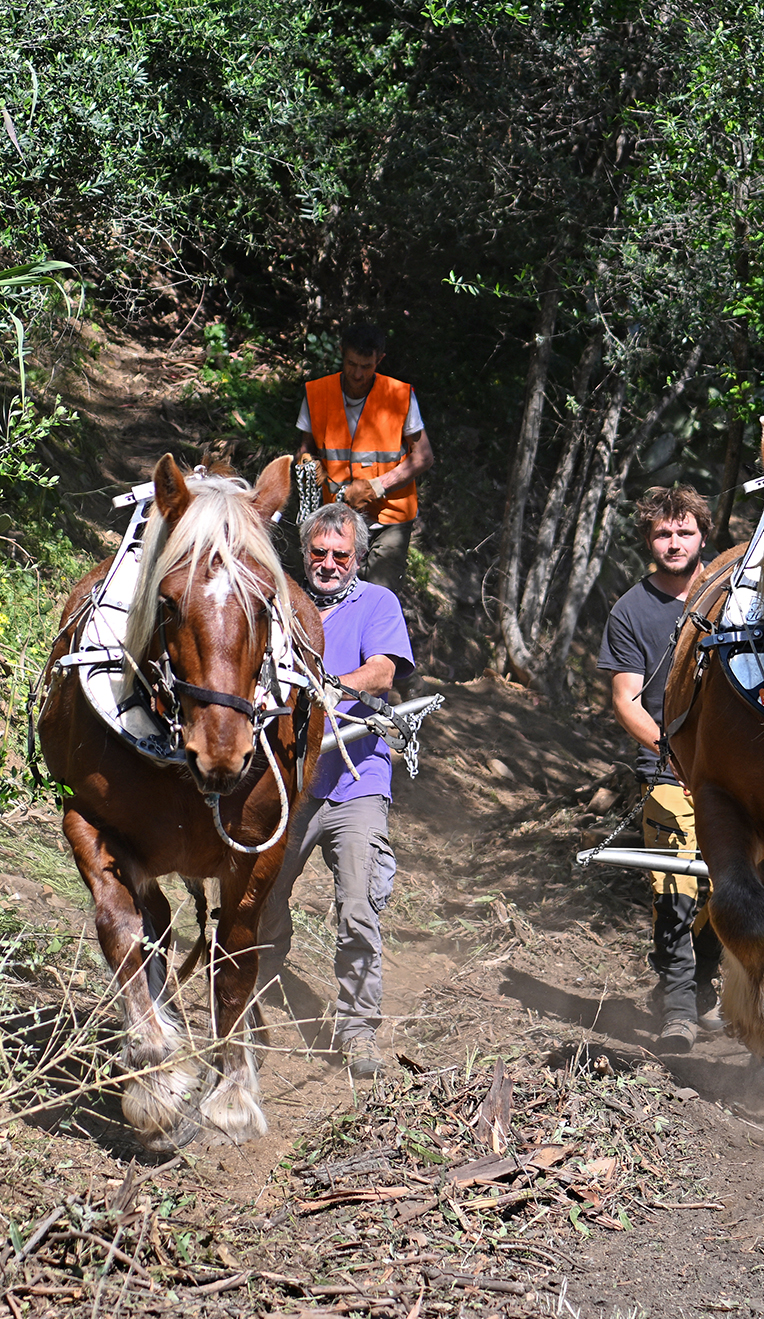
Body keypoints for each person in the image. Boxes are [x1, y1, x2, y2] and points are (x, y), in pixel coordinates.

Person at [255, 501, 416, 1079]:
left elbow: (383, 671)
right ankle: (254, 992)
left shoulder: (377, 603)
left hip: (357, 780)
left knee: (357, 906)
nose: (327, 563)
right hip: (291, 783)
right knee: (262, 898)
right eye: (318, 553)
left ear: (358, 558)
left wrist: (327, 686)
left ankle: (356, 1028)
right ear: (305, 554)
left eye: (339, 554)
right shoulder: (282, 602)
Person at [595, 486, 722, 1053]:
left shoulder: (732, 598)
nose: (674, 543)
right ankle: (677, 1012)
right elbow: (626, 699)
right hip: (667, 773)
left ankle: (699, 984)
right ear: (649, 539)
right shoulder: (631, 610)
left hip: (735, 779)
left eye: (685, 532)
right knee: (674, 886)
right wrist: (673, 754)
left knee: (727, 888)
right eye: (663, 533)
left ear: (703, 535)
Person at [295, 322, 435, 593]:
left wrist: (376, 486)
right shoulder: (317, 393)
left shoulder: (399, 395)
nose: (357, 374)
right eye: (351, 364)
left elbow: (424, 456)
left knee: (378, 594)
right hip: (335, 519)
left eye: (366, 366)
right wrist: (308, 464)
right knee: (329, 594)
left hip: (388, 520)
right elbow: (305, 447)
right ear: (341, 354)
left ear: (379, 360)